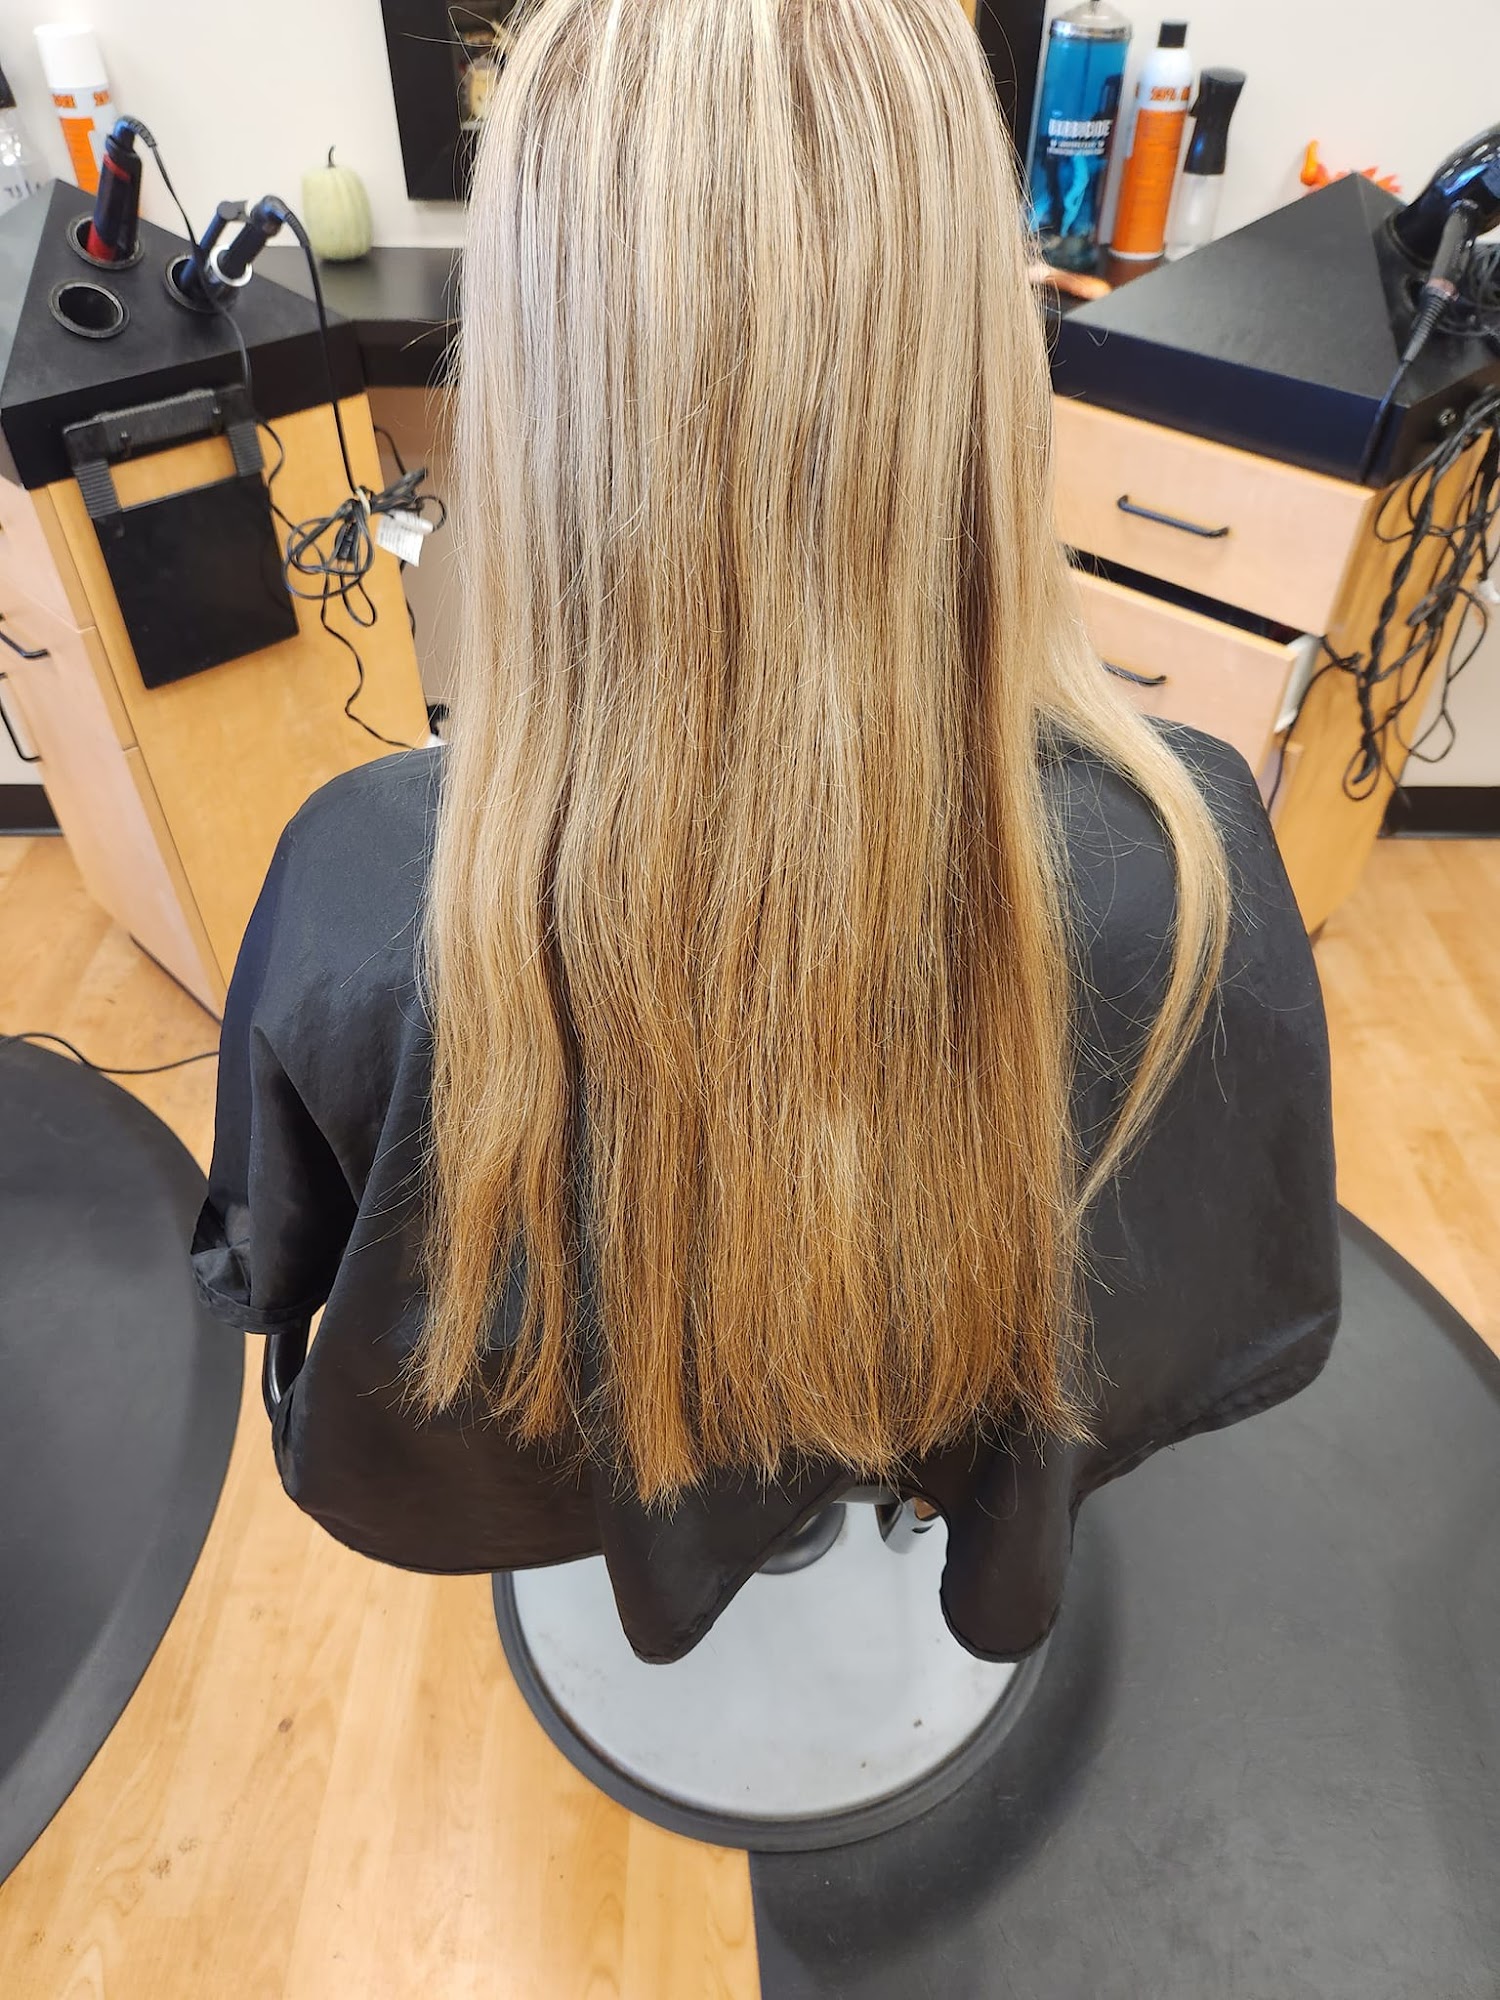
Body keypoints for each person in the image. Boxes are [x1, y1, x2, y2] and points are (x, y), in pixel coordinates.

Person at [193, 0, 1338, 1663]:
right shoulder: (1193, 843)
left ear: (536, 367)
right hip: (946, 1401)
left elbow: (272, 1263)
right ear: (978, 343)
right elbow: (1220, 1271)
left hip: (597, 1462)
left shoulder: (362, 886)